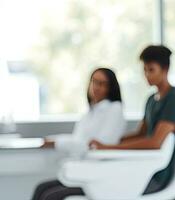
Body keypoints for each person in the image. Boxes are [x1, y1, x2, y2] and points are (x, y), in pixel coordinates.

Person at [89, 45, 175, 194]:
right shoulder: (151, 100)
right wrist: (110, 142)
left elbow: (155, 142)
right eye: (144, 70)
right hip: (139, 168)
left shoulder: (174, 98)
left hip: (153, 175)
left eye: (151, 70)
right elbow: (141, 133)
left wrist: (108, 148)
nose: (146, 75)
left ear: (165, 69)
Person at [32, 67, 126, 200]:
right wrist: (53, 140)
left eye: (102, 83)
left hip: (96, 175)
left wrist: (57, 143)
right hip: (81, 171)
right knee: (41, 188)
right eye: (94, 82)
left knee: (50, 196)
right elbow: (78, 139)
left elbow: (95, 146)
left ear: (111, 87)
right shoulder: (92, 110)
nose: (96, 87)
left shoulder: (114, 110)